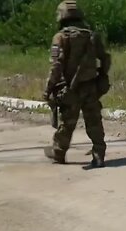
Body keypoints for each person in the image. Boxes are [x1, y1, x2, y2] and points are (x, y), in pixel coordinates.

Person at [43, 0, 111, 168]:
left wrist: (48, 88)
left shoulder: (61, 37)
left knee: (67, 123)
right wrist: (102, 75)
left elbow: (56, 66)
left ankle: (58, 152)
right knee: (94, 121)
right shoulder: (92, 36)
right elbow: (105, 58)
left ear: (61, 17)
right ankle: (99, 155)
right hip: (90, 86)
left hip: (70, 89)